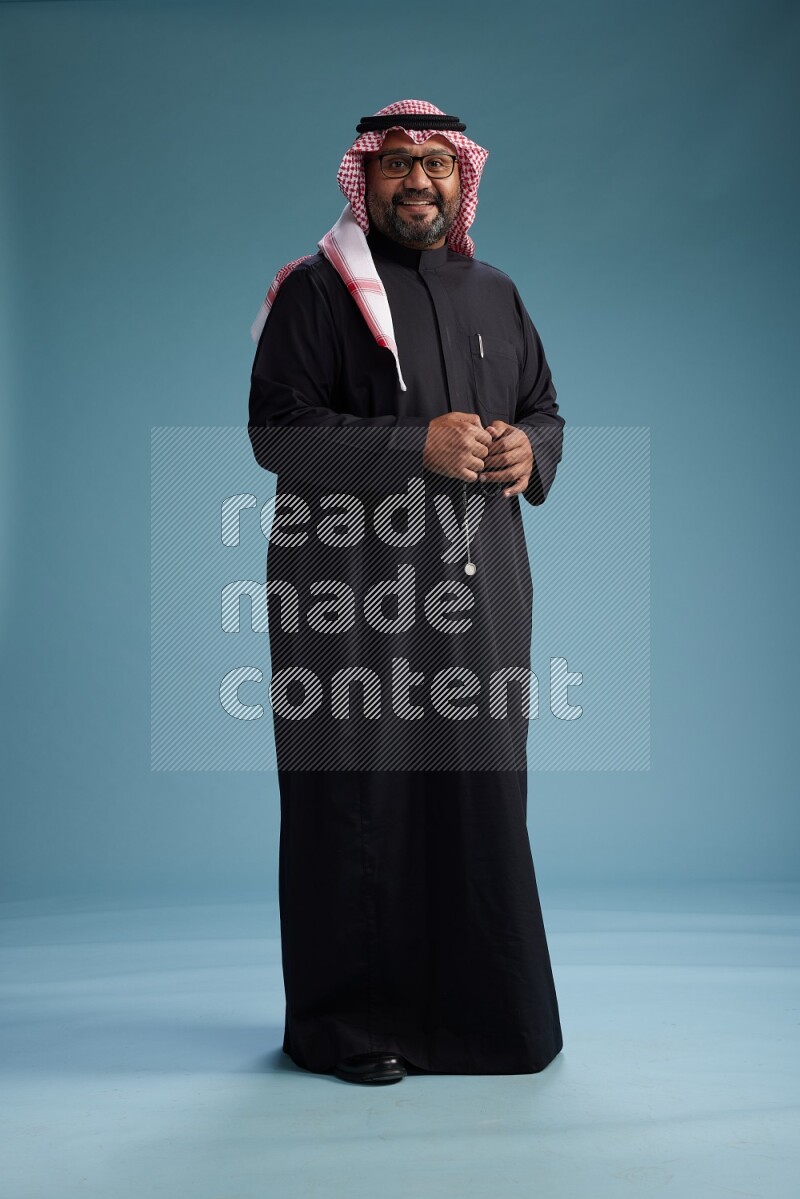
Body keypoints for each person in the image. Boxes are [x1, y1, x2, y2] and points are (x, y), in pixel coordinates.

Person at [248, 99, 565, 1086]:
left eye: (435, 163)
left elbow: (543, 408)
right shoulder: (316, 292)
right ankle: (350, 1026)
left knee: (478, 793)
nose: (417, 181)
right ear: (364, 178)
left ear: (462, 177)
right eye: (395, 164)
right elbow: (276, 434)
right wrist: (411, 446)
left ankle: (484, 1019)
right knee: (360, 796)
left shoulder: (496, 292)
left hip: (479, 596)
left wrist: (529, 451)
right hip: (351, 598)